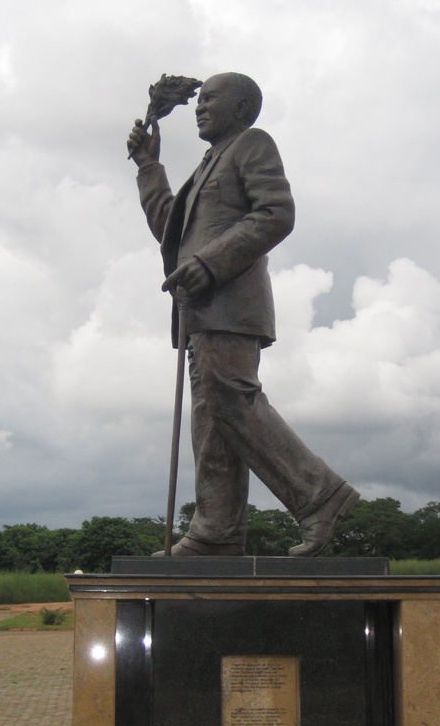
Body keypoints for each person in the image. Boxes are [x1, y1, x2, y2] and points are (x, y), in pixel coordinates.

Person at [127, 72, 358, 556]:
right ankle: (216, 531)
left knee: (231, 401)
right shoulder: (208, 164)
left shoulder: (252, 144)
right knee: (211, 420)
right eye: (200, 100)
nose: (200, 107)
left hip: (229, 302)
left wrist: (209, 266)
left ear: (243, 107)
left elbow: (276, 213)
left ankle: (319, 496)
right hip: (201, 310)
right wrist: (150, 167)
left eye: (211, 99)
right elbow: (172, 231)